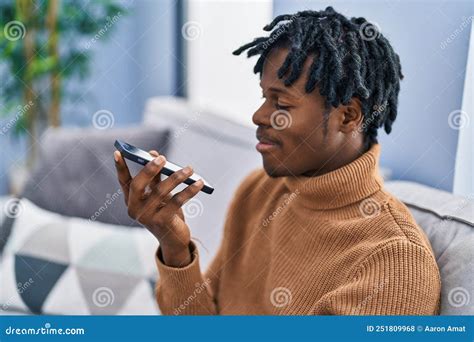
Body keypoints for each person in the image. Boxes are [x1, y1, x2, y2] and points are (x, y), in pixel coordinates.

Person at [114, 6, 440, 315]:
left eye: (281, 104)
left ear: (348, 116)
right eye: (263, 97)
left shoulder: (396, 264)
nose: (259, 116)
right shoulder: (259, 192)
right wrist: (175, 247)